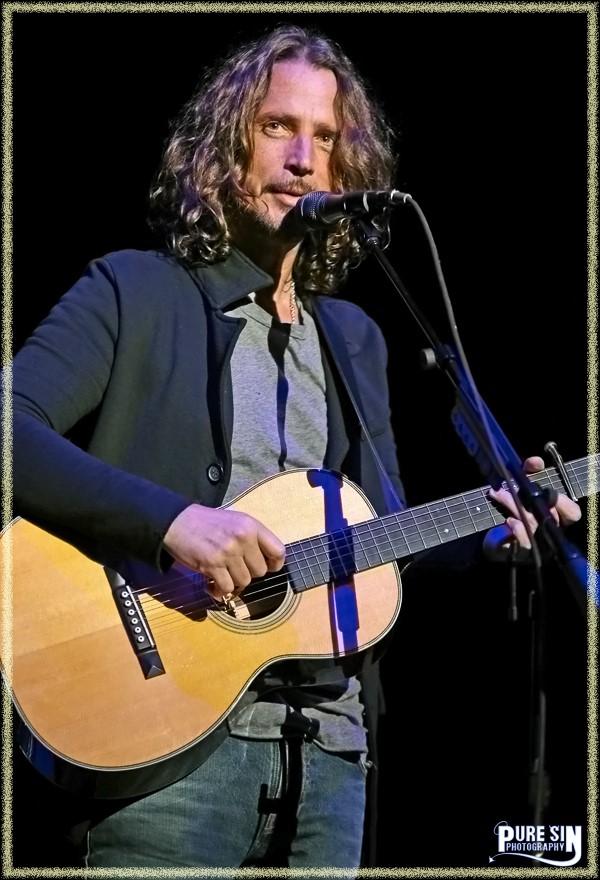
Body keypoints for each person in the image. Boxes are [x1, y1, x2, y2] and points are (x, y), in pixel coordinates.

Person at [6, 23, 581, 874]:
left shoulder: (354, 339)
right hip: (166, 757)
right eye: (278, 126)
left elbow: (376, 538)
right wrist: (173, 522)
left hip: (331, 759)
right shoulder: (133, 290)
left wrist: (485, 539)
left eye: (327, 139)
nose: (305, 160)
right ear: (224, 147)